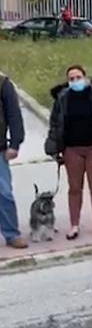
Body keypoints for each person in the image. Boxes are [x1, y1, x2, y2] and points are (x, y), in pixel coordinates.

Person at [45, 66, 92, 240]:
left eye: (78, 77)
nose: (75, 81)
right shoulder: (62, 99)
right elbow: (55, 125)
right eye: (71, 79)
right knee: (74, 188)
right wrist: (54, 147)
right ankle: (74, 225)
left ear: (85, 78)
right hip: (72, 149)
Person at [0, 74, 27, 249]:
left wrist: (15, 143)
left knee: (4, 193)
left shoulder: (3, 83)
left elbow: (14, 114)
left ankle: (11, 234)